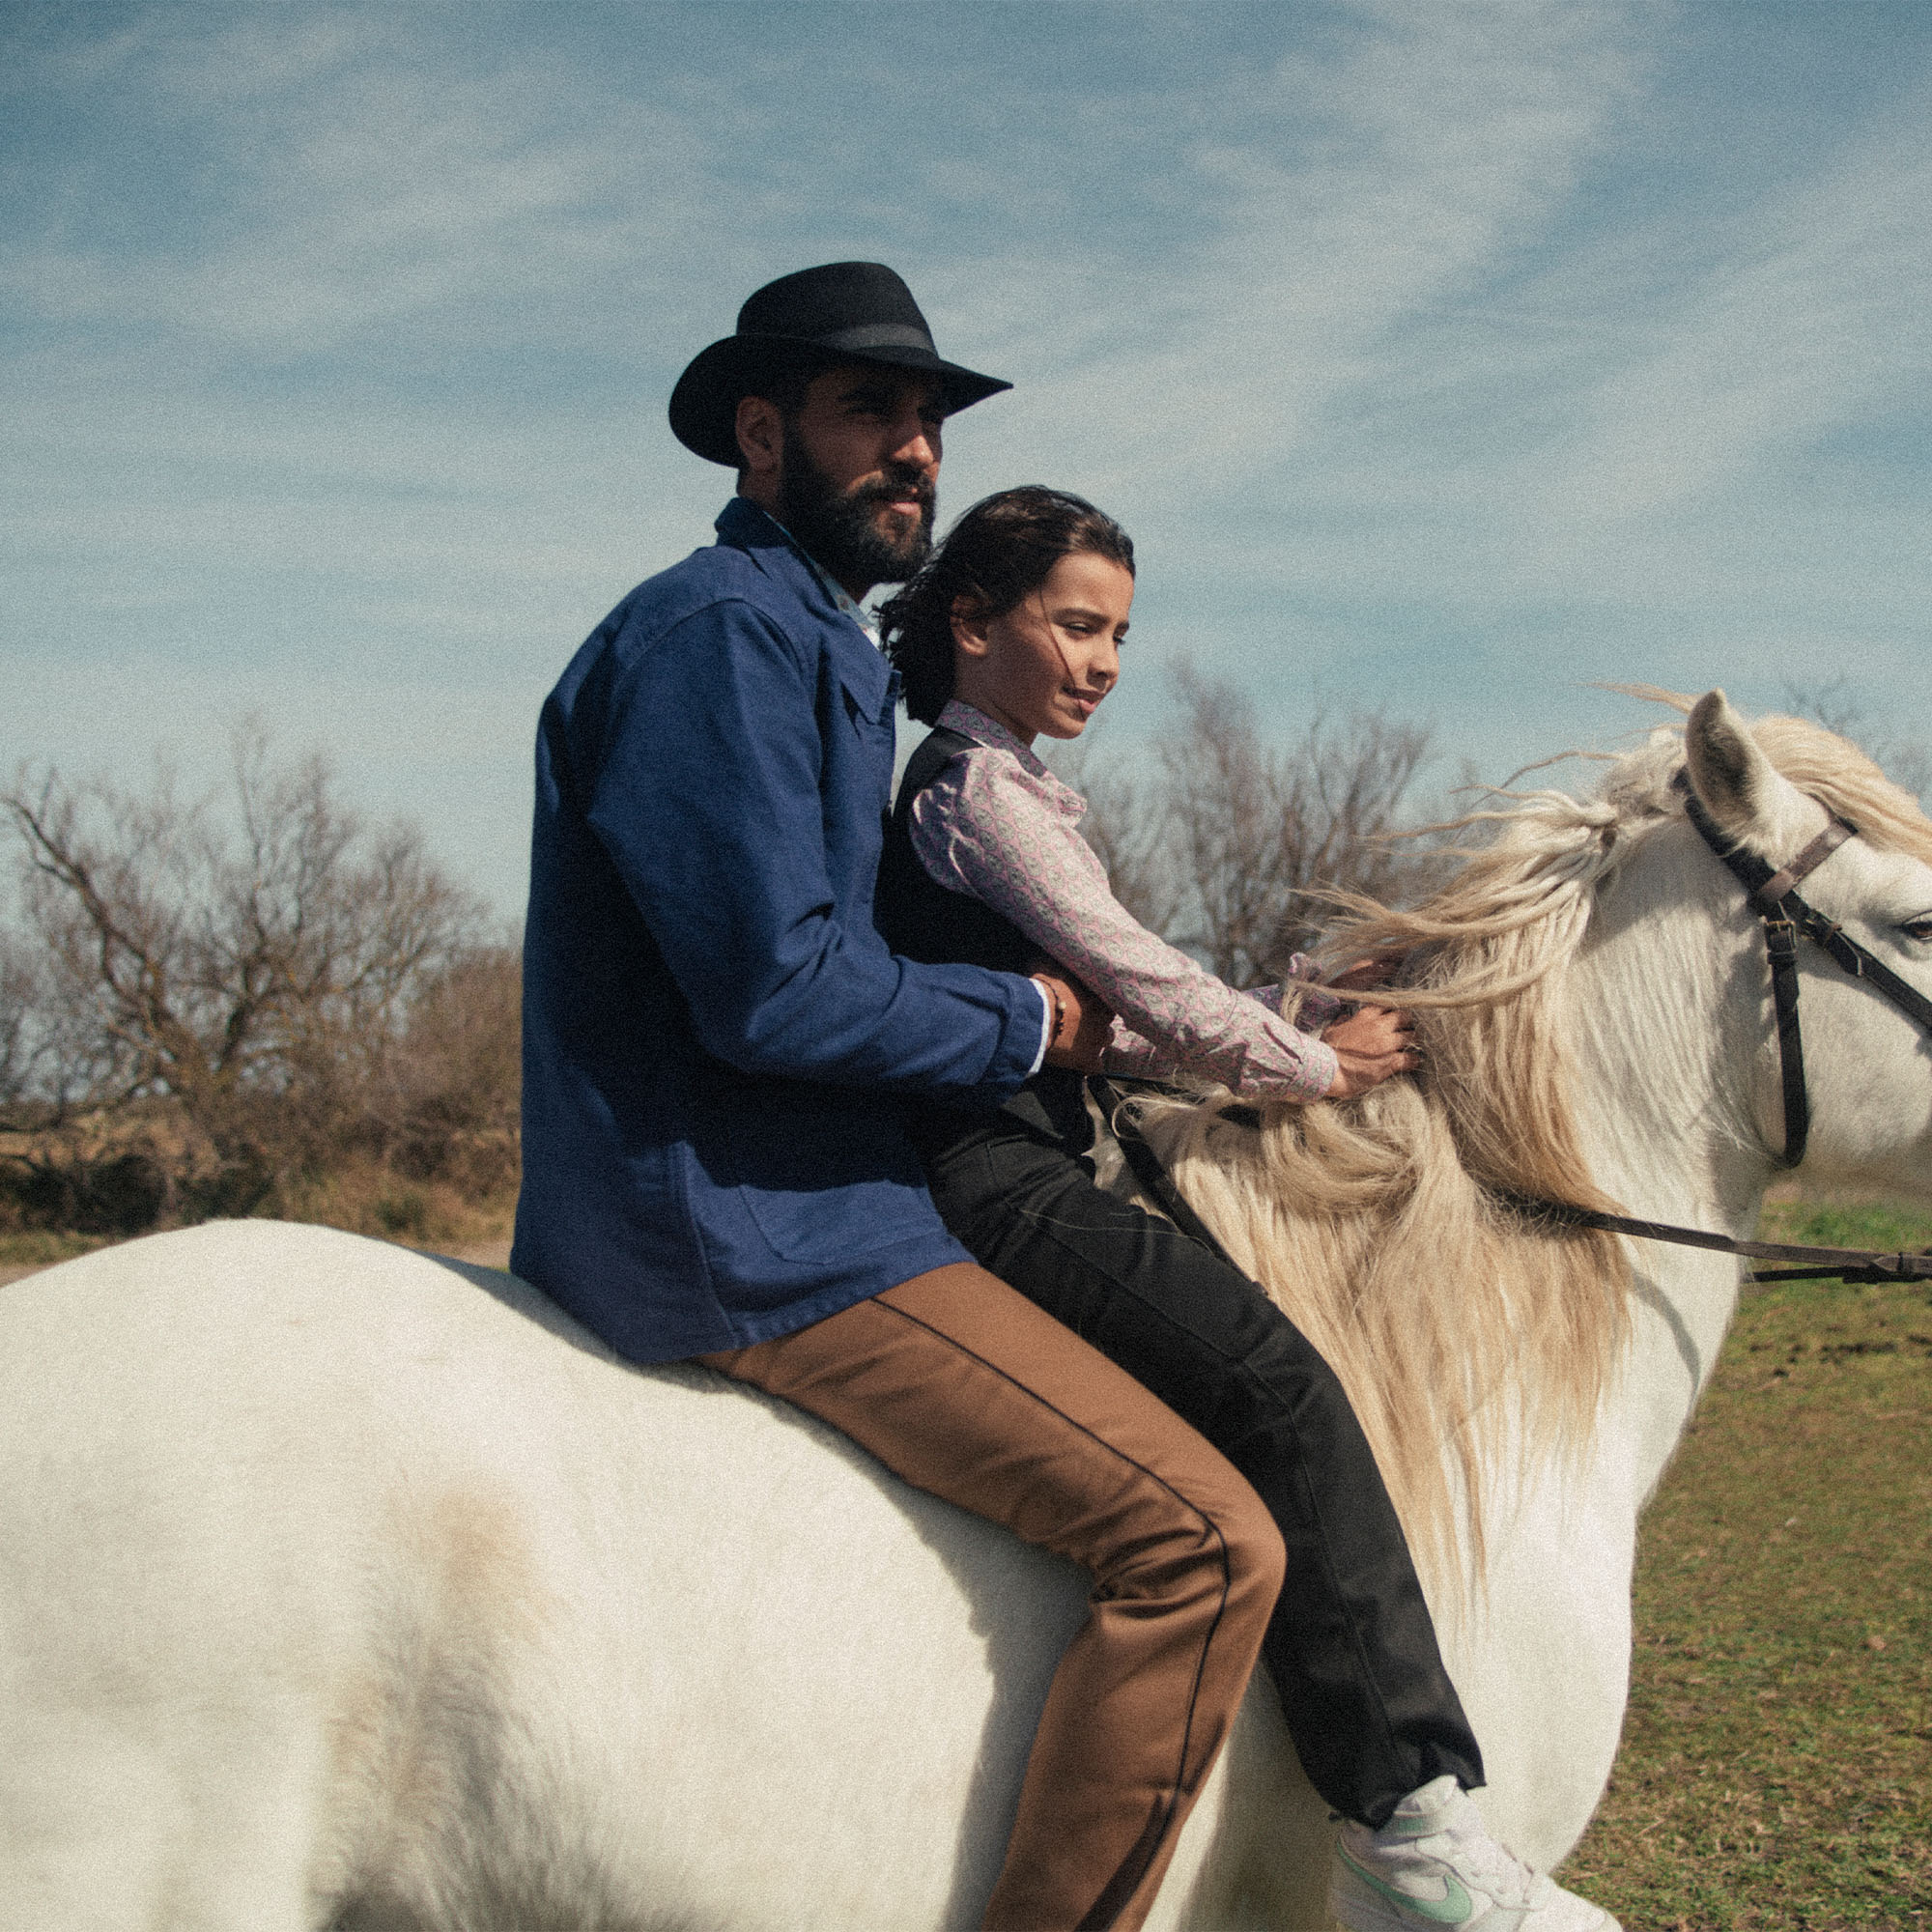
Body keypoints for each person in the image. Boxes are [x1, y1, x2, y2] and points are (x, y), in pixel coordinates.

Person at [512, 265, 1287, 1932]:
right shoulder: (722, 637)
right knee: (1211, 1547)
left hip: (806, 1191)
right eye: (873, 411)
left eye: (926, 422)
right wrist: (1032, 1022)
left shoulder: (810, 641)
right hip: (747, 1226)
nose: (913, 452)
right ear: (758, 429)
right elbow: (777, 987)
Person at [873, 485, 1621, 1932]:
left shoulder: (1013, 791)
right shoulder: (972, 795)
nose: (1101, 661)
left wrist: (1286, 1014)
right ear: (972, 623)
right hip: (996, 1180)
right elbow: (1141, 984)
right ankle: (1406, 1827)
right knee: (1281, 1387)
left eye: (1120, 638)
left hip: (1044, 1156)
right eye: (1075, 625)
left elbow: (1119, 1008)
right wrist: (1308, 1065)